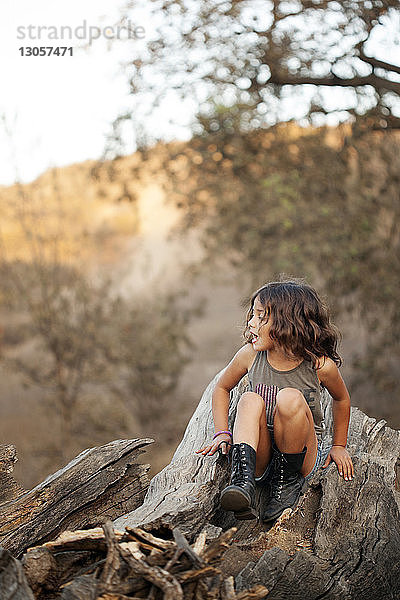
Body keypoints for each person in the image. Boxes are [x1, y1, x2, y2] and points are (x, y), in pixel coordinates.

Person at [196, 279, 354, 522]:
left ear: (286, 324)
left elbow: (341, 399)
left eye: (260, 317)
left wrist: (339, 445)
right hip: (262, 453)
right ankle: (243, 481)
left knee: (289, 397)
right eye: (253, 315)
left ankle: (285, 486)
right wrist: (221, 433)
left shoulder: (319, 365)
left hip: (301, 459)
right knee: (249, 399)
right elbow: (222, 388)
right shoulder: (250, 355)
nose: (250, 322)